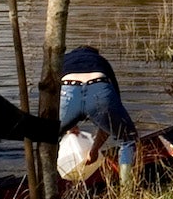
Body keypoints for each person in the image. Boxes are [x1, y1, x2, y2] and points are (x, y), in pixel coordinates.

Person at [57, 45, 137, 182]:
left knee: (47, 139)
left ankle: (42, 192)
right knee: (127, 140)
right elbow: (111, 113)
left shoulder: (64, 60)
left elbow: (53, 95)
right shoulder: (101, 61)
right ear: (95, 54)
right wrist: (94, 150)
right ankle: (127, 194)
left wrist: (70, 126)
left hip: (67, 91)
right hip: (99, 89)